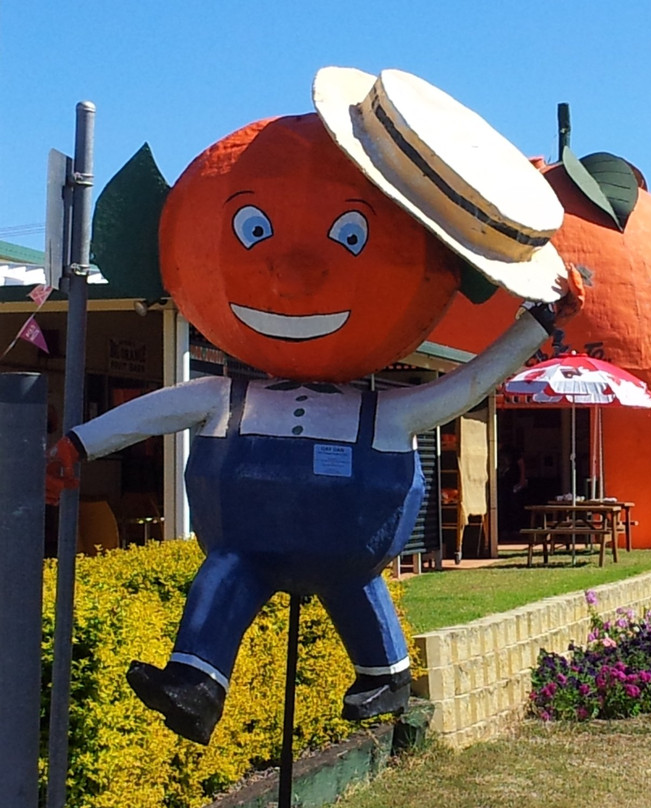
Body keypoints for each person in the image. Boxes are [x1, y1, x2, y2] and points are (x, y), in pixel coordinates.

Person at [46, 66, 583, 745]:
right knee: (225, 572)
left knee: (351, 580)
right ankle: (196, 686)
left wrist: (538, 325)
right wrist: (79, 444)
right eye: (253, 231)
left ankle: (384, 672)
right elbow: (150, 412)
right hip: (243, 543)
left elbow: (467, 386)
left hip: (346, 551)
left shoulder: (385, 414)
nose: (294, 275)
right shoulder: (225, 396)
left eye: (350, 237)